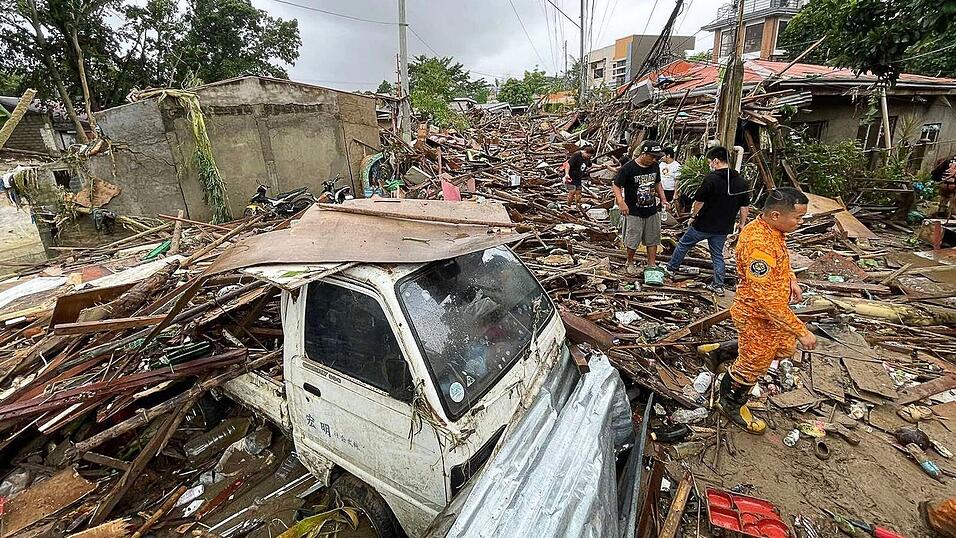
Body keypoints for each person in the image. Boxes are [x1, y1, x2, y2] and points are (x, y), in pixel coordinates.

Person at [718, 187, 817, 434]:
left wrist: (792, 279)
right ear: (775, 215)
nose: (800, 222)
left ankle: (720, 351)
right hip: (756, 313)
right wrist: (801, 330)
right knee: (755, 362)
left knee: (782, 348)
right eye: (798, 218)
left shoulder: (773, 231)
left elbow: (782, 261)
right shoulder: (759, 245)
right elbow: (768, 301)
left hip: (769, 313)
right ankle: (730, 401)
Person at [663, 146, 750, 296]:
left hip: (703, 224)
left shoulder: (712, 179)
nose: (710, 164)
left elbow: (699, 201)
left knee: (683, 245)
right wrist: (742, 223)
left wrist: (692, 217)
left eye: (710, 161)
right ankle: (718, 285)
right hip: (723, 227)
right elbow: (744, 206)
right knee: (717, 255)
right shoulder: (741, 182)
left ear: (716, 161)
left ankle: (670, 269)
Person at [613, 140, 669, 275]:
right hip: (633, 210)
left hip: (651, 209)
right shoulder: (628, 168)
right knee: (633, 239)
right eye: (651, 156)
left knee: (653, 238)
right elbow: (616, 185)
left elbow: (657, 183)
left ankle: (651, 264)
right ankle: (630, 261)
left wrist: (663, 199)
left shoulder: (655, 166)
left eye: (656, 157)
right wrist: (621, 202)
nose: (653, 159)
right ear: (643, 153)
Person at [564, 145, 595, 213]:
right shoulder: (576, 155)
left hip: (578, 178)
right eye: (588, 155)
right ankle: (568, 206)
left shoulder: (587, 158)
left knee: (579, 193)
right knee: (572, 192)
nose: (588, 157)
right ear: (585, 152)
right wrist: (567, 174)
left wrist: (600, 166)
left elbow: (590, 165)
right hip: (570, 177)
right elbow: (568, 164)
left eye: (590, 157)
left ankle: (578, 207)